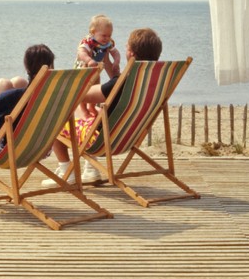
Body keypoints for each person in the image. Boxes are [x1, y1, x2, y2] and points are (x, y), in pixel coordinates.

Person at [42, 28, 163, 186]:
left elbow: (81, 95)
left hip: (104, 140)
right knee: (93, 112)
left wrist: (85, 73)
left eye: (126, 47)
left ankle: (66, 169)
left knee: (55, 117)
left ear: (131, 53)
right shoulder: (155, 81)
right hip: (128, 137)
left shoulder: (123, 81)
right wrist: (109, 67)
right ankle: (91, 169)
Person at [74, 14, 121, 78]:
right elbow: (81, 52)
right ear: (93, 32)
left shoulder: (108, 43)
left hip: (96, 67)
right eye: (104, 35)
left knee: (96, 78)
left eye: (109, 36)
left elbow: (116, 52)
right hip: (82, 67)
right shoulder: (88, 41)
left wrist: (116, 61)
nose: (107, 38)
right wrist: (89, 60)